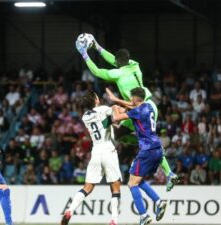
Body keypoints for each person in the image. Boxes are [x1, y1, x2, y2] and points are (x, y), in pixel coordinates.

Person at [75, 34, 178, 191]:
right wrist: (97, 47)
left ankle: (164, 166)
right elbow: (115, 60)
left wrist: (84, 53)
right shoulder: (134, 64)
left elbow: (96, 71)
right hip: (148, 105)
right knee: (119, 135)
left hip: (140, 109)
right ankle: (168, 171)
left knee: (135, 137)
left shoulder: (118, 74)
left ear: (117, 63)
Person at [61, 91, 122, 225]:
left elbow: (105, 123)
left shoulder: (85, 117)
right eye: (96, 96)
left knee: (87, 187)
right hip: (108, 150)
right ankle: (114, 220)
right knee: (115, 187)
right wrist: (120, 108)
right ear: (96, 100)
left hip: (96, 153)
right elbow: (115, 120)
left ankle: (70, 209)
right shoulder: (104, 109)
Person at [112, 87, 167, 225]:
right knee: (137, 179)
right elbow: (130, 106)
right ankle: (159, 202)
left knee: (131, 183)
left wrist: (114, 107)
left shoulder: (138, 110)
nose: (130, 100)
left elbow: (116, 119)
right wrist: (119, 102)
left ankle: (144, 216)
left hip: (147, 150)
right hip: (157, 149)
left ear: (136, 98)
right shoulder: (148, 106)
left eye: (132, 97)